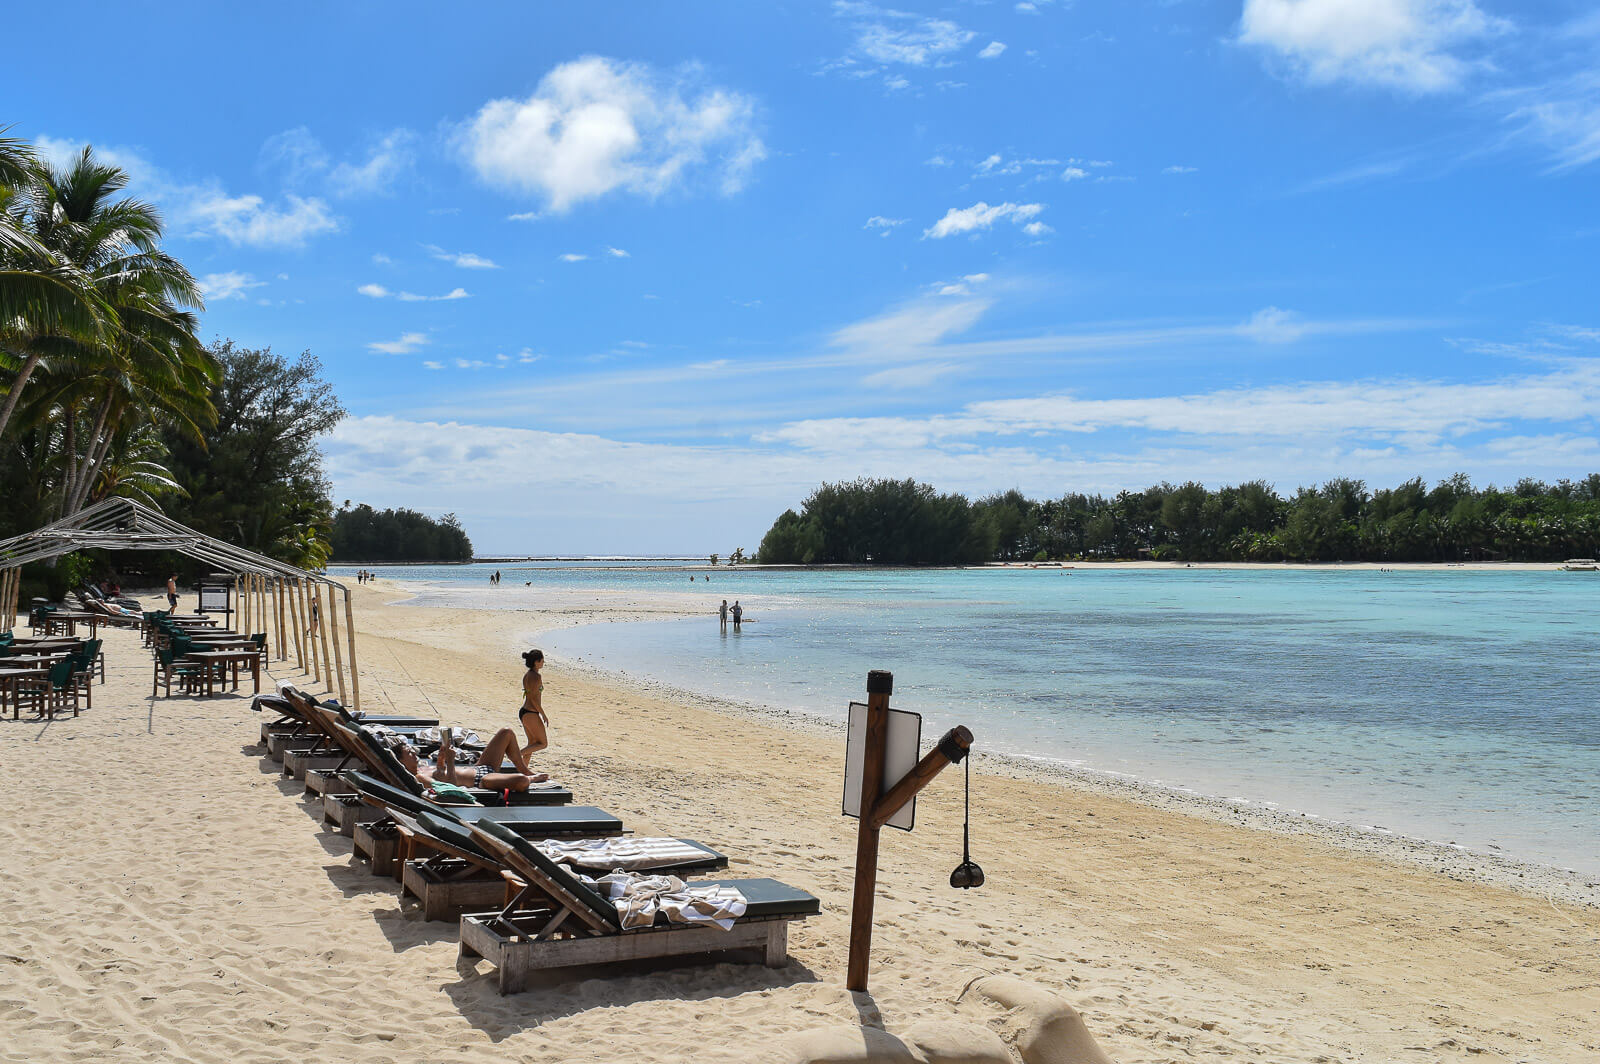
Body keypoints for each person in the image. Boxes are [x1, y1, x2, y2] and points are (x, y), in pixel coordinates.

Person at [392, 727, 549, 793]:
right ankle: (529, 777)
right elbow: (450, 788)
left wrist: (441, 760)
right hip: (482, 780)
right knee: (521, 781)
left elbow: (441, 774)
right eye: (409, 753)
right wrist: (451, 761)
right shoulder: (418, 778)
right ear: (401, 762)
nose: (413, 752)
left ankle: (525, 769)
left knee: (506, 733)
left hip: (478, 767)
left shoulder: (422, 767)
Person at [517, 648, 550, 758]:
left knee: (531, 744)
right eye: (542, 661)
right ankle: (515, 755)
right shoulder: (536, 677)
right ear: (536, 662)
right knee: (543, 743)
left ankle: (524, 772)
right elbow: (533, 699)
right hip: (531, 713)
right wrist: (543, 714)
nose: (543, 663)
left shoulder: (527, 675)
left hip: (525, 712)